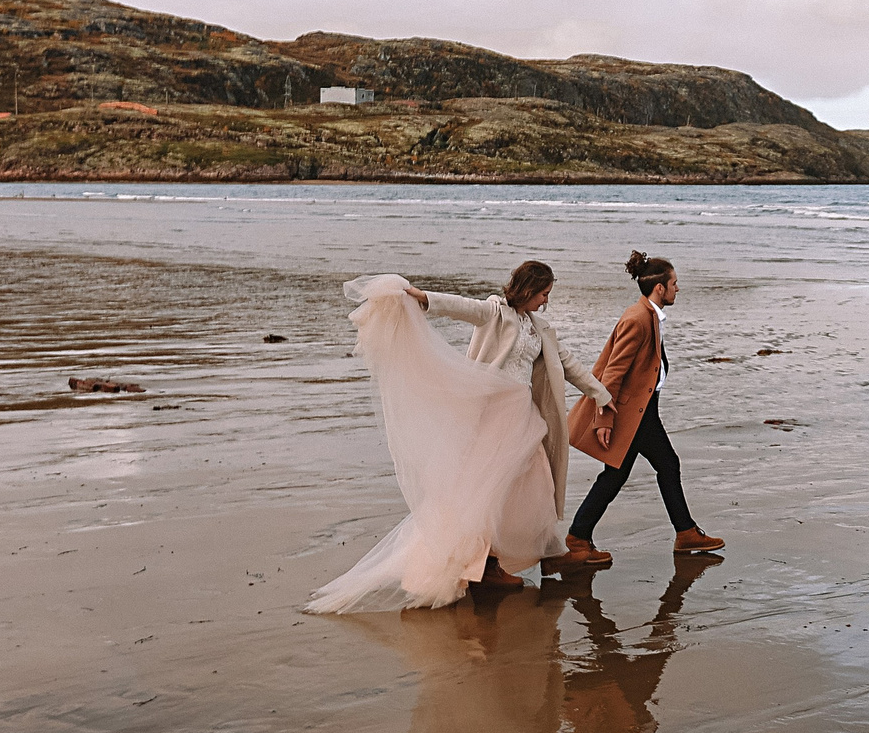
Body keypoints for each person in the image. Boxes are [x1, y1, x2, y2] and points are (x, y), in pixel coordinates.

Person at [303, 260, 615, 613]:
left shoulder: (540, 327)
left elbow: (569, 364)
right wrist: (422, 298)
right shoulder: (496, 313)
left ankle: (541, 551)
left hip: (524, 415)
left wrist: (602, 396)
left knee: (537, 482)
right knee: (487, 488)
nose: (546, 301)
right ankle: (483, 563)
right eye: (543, 294)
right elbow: (460, 307)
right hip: (494, 414)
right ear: (528, 290)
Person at [563, 251, 726, 566]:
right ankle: (581, 537)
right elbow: (613, 373)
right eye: (674, 284)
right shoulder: (637, 319)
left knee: (633, 472)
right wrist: (604, 420)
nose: (679, 289)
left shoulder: (648, 315)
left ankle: (682, 532)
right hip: (630, 414)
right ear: (660, 288)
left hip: (644, 411)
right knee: (649, 468)